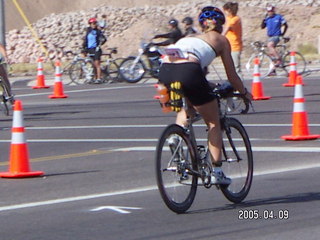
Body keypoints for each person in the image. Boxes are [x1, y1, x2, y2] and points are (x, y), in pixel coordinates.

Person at [158, 6, 252, 185]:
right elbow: (232, 76)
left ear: (202, 24)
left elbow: (194, 74)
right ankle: (217, 171)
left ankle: (177, 136)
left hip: (165, 71)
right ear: (220, 24)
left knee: (188, 107)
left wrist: (210, 85)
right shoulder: (222, 40)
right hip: (189, 71)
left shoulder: (189, 37)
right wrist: (245, 93)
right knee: (213, 121)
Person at [83, 17, 107, 83]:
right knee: (92, 64)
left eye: (94, 23)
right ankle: (94, 77)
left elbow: (104, 39)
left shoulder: (98, 31)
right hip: (89, 49)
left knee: (97, 64)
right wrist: (84, 48)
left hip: (96, 49)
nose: (93, 24)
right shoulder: (88, 31)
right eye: (92, 23)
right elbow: (86, 40)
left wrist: (99, 45)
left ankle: (99, 78)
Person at [222, 2, 243, 78]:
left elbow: (226, 29)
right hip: (228, 46)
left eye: (225, 11)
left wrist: (220, 37)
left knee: (236, 68)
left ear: (229, 10)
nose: (225, 13)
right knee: (229, 69)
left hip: (235, 46)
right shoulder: (228, 18)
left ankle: (240, 87)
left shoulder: (236, 19)